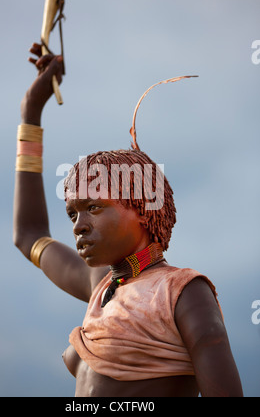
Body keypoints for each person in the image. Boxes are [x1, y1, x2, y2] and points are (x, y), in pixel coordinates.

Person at [13, 43, 244, 397]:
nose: (78, 225)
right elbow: (29, 236)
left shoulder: (183, 293)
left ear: (142, 207)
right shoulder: (100, 285)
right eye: (72, 213)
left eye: (94, 207)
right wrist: (30, 112)